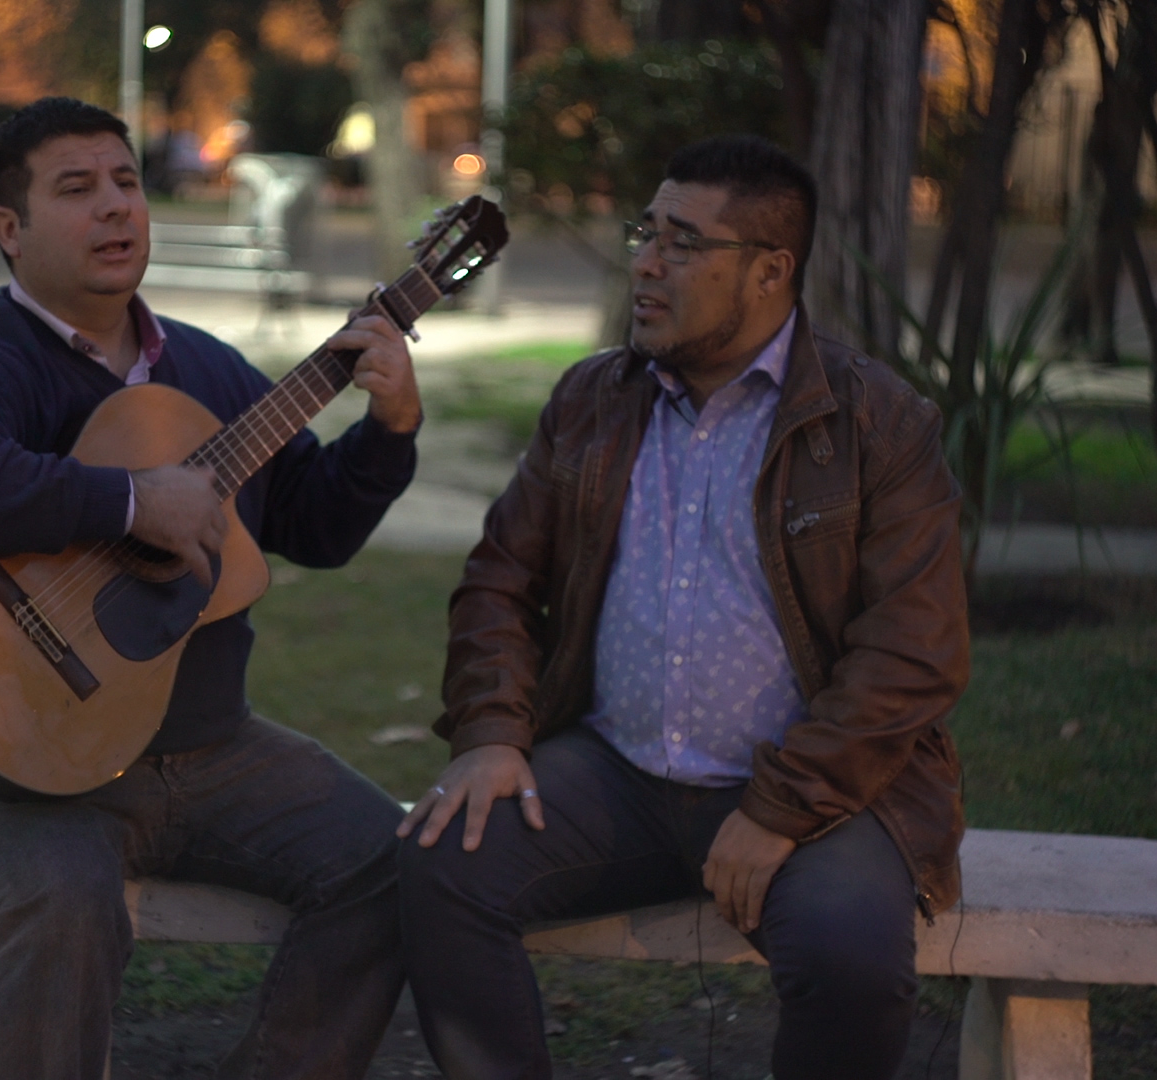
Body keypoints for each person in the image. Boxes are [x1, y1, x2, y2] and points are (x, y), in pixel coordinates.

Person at [396, 134, 970, 1080]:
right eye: (645, 234)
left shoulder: (877, 423)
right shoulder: (594, 399)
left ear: (769, 272)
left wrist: (782, 809)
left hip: (814, 795)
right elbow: (501, 575)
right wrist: (494, 733)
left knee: (852, 960)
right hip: (614, 772)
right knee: (442, 864)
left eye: (684, 244)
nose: (646, 265)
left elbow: (915, 652)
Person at [0, 97, 423, 1080]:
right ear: (9, 230)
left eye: (126, 183)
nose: (116, 209)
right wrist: (130, 504)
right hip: (19, 759)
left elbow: (315, 524)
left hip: (211, 750)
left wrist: (387, 432)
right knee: (64, 902)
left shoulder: (209, 367)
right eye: (77, 190)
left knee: (394, 864)